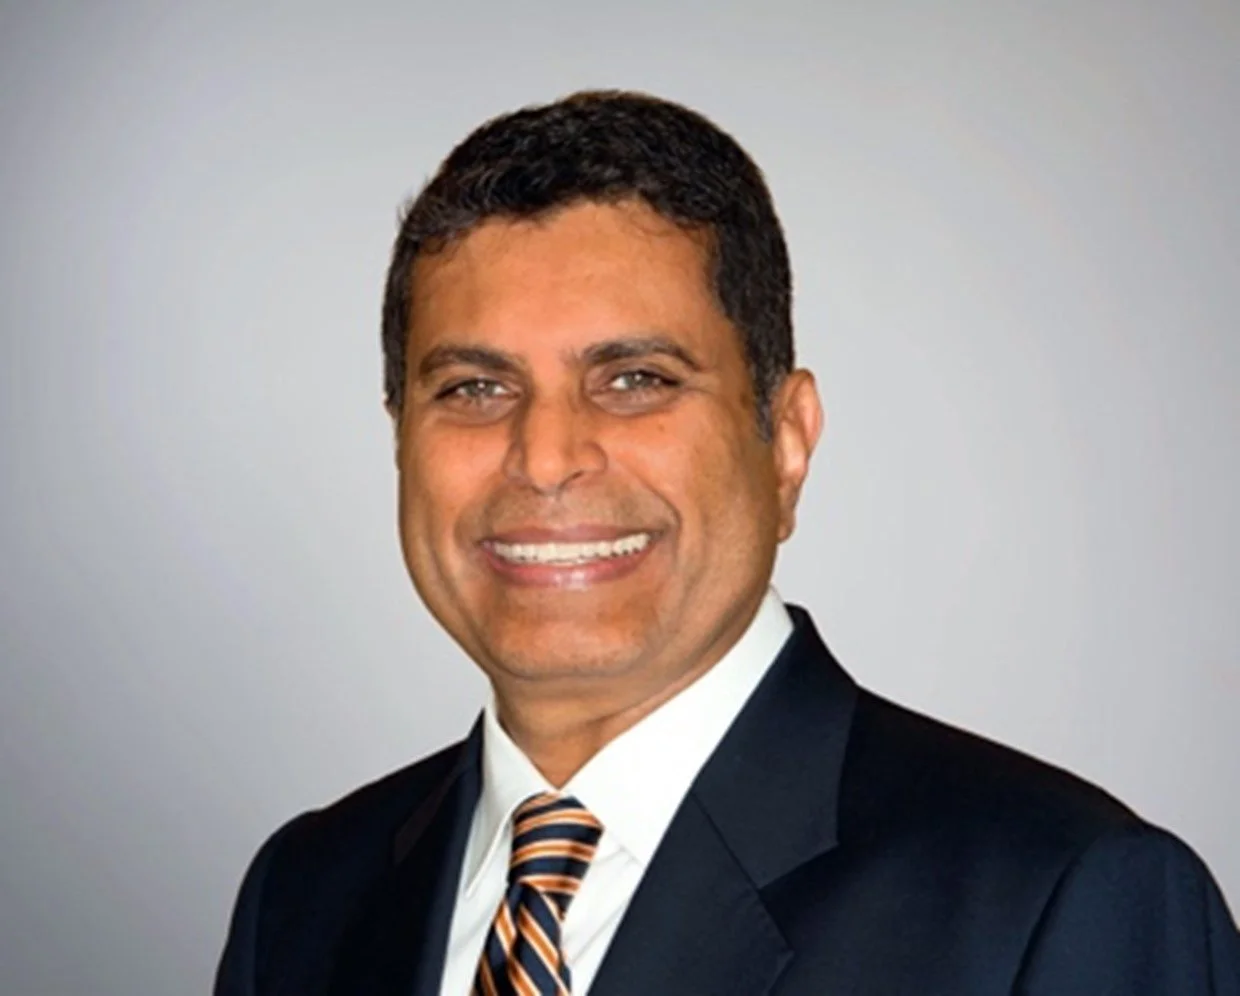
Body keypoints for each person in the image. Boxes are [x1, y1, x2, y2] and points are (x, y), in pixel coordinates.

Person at [214, 90, 1240, 996]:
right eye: (474, 389)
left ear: (785, 443)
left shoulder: (1059, 902)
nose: (545, 457)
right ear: (400, 437)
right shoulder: (305, 898)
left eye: (635, 380)